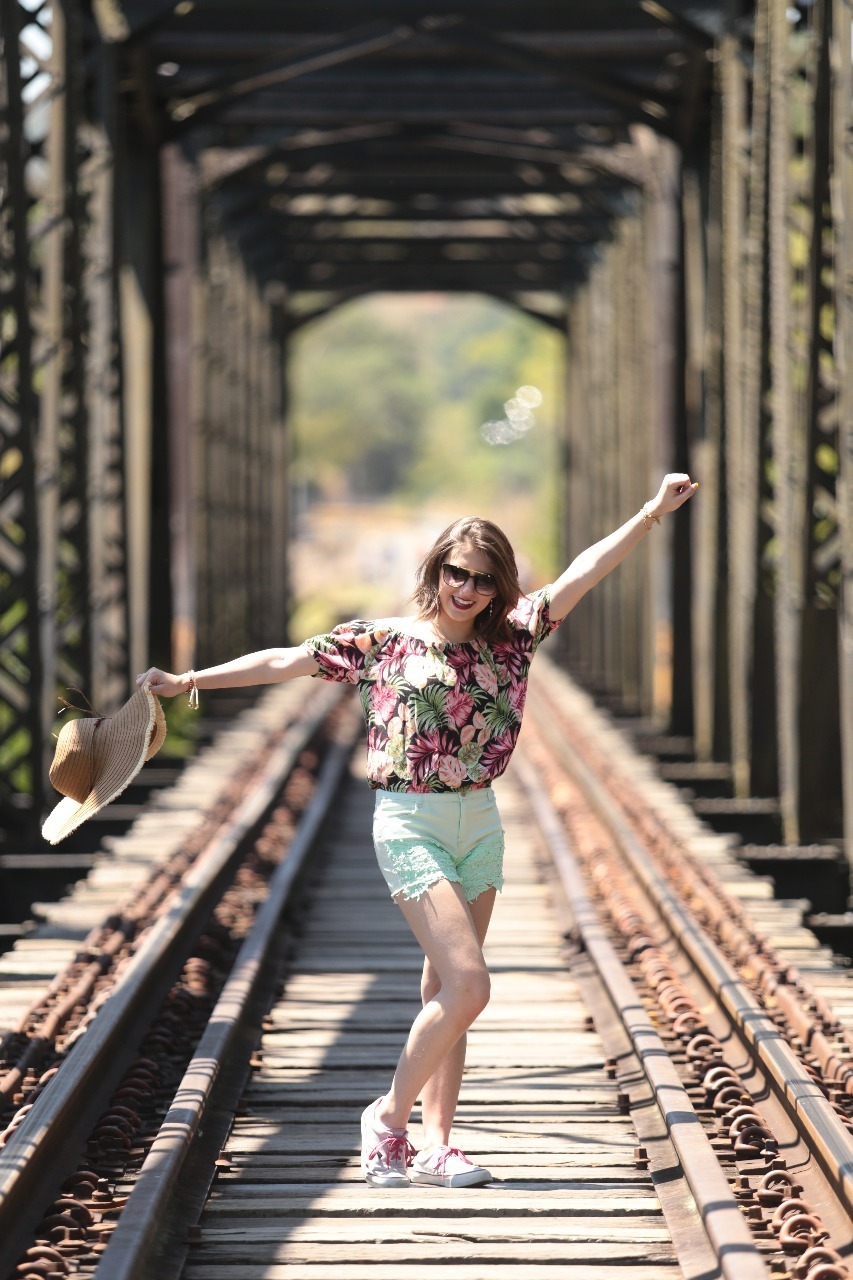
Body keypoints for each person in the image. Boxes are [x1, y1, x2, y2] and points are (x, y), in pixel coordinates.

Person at [137, 473, 697, 1189]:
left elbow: (585, 568)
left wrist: (649, 513)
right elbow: (283, 661)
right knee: (469, 983)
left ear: (500, 588)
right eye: (455, 573)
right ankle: (388, 1120)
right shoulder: (383, 641)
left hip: (479, 820)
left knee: (445, 990)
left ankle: (436, 1145)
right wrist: (188, 682)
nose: (465, 589)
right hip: (408, 820)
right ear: (434, 571)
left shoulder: (516, 636)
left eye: (482, 579)